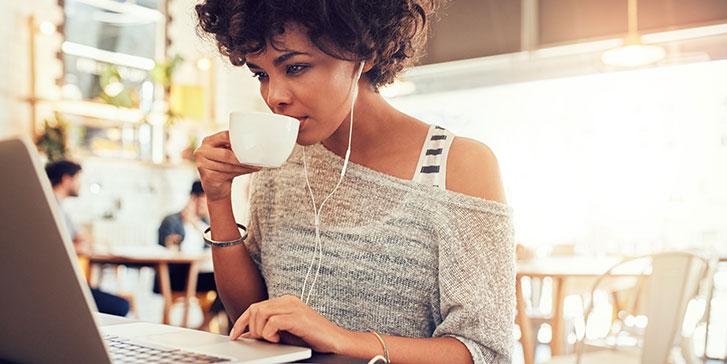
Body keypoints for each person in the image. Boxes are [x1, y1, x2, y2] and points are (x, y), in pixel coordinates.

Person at [193, 1, 514, 363]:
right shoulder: (281, 160)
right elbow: (250, 317)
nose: (274, 97)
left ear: (365, 53)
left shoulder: (457, 166)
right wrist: (218, 199)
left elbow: (486, 352)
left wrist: (342, 339)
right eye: (261, 74)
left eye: (296, 68)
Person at [45, 160, 130, 317]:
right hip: (56, 285)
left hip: (65, 282)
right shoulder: (48, 207)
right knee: (121, 306)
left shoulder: (60, 207)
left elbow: (81, 238)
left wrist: (76, 245)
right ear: (66, 179)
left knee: (119, 303)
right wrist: (75, 247)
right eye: (78, 178)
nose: (80, 184)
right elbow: (52, 249)